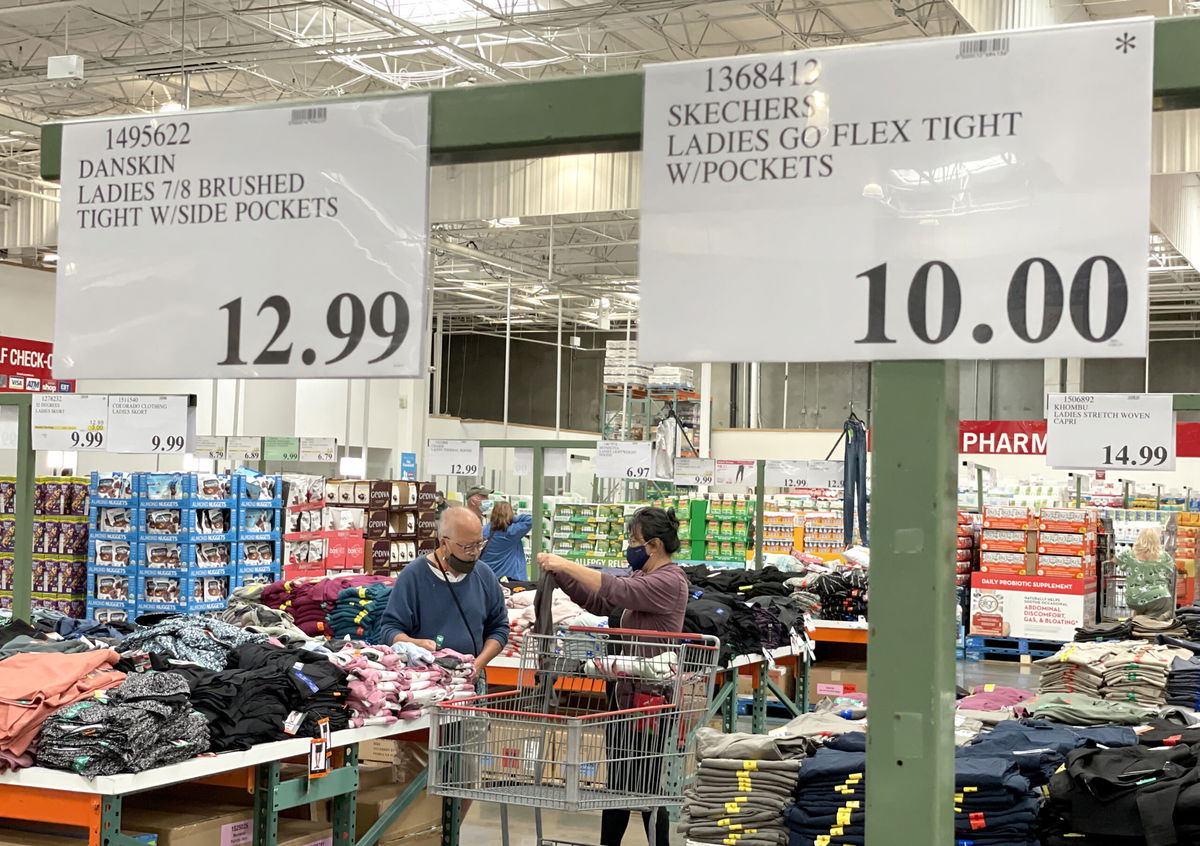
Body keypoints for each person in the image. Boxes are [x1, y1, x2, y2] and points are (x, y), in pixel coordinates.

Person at [537, 506, 689, 846]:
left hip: (651, 700)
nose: (629, 546)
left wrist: (565, 563)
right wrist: (561, 578)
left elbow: (616, 590)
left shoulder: (669, 581)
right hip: (625, 695)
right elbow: (601, 600)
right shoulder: (641, 577)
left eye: (634, 540)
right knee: (621, 783)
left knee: (644, 786)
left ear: (654, 545)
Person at [379, 506, 508, 673]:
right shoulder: (414, 576)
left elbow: (499, 628)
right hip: (425, 682)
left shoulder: (484, 575)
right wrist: (415, 643)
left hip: (470, 682)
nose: (475, 553)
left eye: (479, 544)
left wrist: (477, 665)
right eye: (468, 547)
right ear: (444, 543)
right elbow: (390, 629)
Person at [1116, 527, 1176, 620]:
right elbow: (1170, 569)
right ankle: (1151, 627)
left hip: (1135, 598)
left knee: (1140, 617)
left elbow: (1116, 561)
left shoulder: (1128, 555)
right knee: (1153, 621)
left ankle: (1138, 625)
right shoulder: (1164, 557)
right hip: (1159, 598)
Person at [479, 500, 534, 581]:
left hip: (489, 578)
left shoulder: (484, 531)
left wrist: (497, 519)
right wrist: (512, 518)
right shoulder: (513, 531)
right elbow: (531, 519)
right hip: (511, 579)